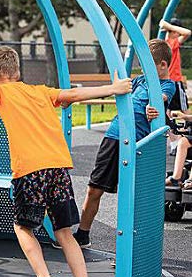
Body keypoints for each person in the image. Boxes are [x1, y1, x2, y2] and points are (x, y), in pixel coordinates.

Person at [0, 46, 132, 277]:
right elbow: (74, 94)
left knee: (22, 228)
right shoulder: (40, 92)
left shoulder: (1, 92)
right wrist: (113, 88)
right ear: (18, 71)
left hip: (31, 170)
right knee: (64, 233)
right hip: (57, 168)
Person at [73, 39, 175, 249]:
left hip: (138, 144)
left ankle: (131, 248)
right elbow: (123, 87)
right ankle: (82, 235)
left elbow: (160, 99)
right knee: (94, 188)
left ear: (163, 65)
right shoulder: (139, 81)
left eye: (148, 66)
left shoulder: (167, 85)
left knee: (134, 196)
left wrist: (153, 108)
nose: (143, 70)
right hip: (114, 136)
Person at [160, 18, 191, 154]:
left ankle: (185, 138)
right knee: (168, 113)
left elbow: (187, 32)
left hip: (174, 82)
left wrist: (169, 26)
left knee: (183, 111)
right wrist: (168, 28)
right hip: (169, 83)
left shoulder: (173, 42)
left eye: (170, 31)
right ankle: (174, 142)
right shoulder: (167, 44)